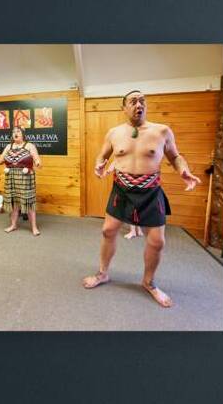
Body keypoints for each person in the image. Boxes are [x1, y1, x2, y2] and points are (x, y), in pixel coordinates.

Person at [81, 90, 201, 307]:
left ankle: (149, 282)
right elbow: (103, 155)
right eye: (133, 101)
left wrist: (183, 170)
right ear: (124, 107)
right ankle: (103, 273)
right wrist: (99, 163)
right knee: (108, 231)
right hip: (121, 190)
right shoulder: (114, 133)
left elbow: (175, 156)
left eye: (142, 101)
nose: (139, 104)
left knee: (157, 242)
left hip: (150, 192)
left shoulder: (162, 131)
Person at [0, 126, 42, 236]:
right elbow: (1, 159)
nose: (15, 133)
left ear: (23, 134)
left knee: (29, 203)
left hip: (25, 178)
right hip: (11, 177)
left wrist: (38, 162)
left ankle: (34, 227)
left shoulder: (29, 146)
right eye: (13, 132)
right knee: (14, 203)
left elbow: (36, 158)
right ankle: (13, 225)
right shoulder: (9, 146)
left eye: (18, 131)